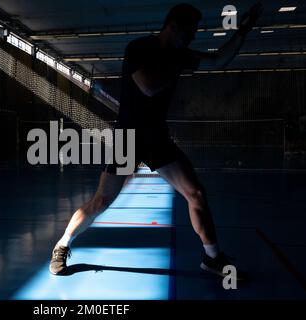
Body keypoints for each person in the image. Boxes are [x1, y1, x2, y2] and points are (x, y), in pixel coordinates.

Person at [50, 3, 263, 277]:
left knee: (195, 194)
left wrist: (243, 30)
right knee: (102, 201)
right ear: (173, 27)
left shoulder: (180, 54)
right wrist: (178, 63)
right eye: (191, 31)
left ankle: (212, 258)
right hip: (128, 137)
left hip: (157, 137)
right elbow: (148, 86)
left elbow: (220, 60)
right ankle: (63, 244)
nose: (194, 37)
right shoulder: (139, 48)